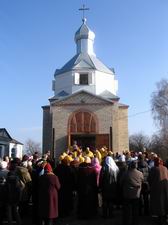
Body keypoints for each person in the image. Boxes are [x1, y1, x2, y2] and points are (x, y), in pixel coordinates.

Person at [120, 160, 143, 225]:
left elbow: (120, 182)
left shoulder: (125, 173)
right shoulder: (140, 173)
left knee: (127, 210)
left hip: (127, 194)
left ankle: (127, 222)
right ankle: (135, 222)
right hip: (136, 194)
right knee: (135, 210)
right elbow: (142, 181)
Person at [148, 157, 168, 225]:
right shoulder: (165, 168)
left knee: (159, 203)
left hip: (157, 188)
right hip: (165, 187)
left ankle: (160, 218)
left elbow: (149, 179)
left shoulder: (154, 169)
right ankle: (164, 217)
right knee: (165, 201)